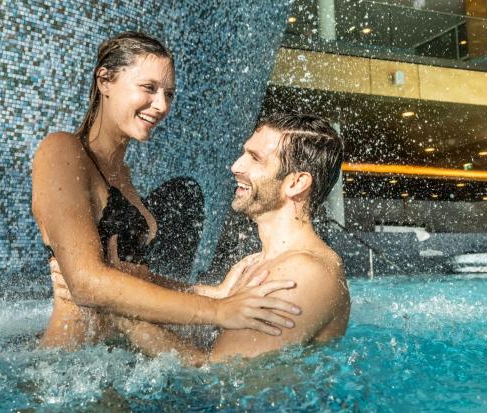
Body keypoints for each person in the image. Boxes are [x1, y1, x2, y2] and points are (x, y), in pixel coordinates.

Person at [31, 32, 302, 349]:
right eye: (148, 88)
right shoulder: (63, 151)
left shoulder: (122, 174)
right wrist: (218, 311)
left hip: (117, 361)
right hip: (66, 371)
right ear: (105, 81)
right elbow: (86, 283)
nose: (160, 105)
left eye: (169, 94)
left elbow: (132, 277)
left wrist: (208, 292)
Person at [116, 113, 351, 365]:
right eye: (244, 153)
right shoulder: (261, 261)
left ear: (296, 183)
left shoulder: (302, 274)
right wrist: (131, 280)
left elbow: (218, 377)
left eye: (255, 158)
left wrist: (122, 313)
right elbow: (211, 304)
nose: (236, 166)